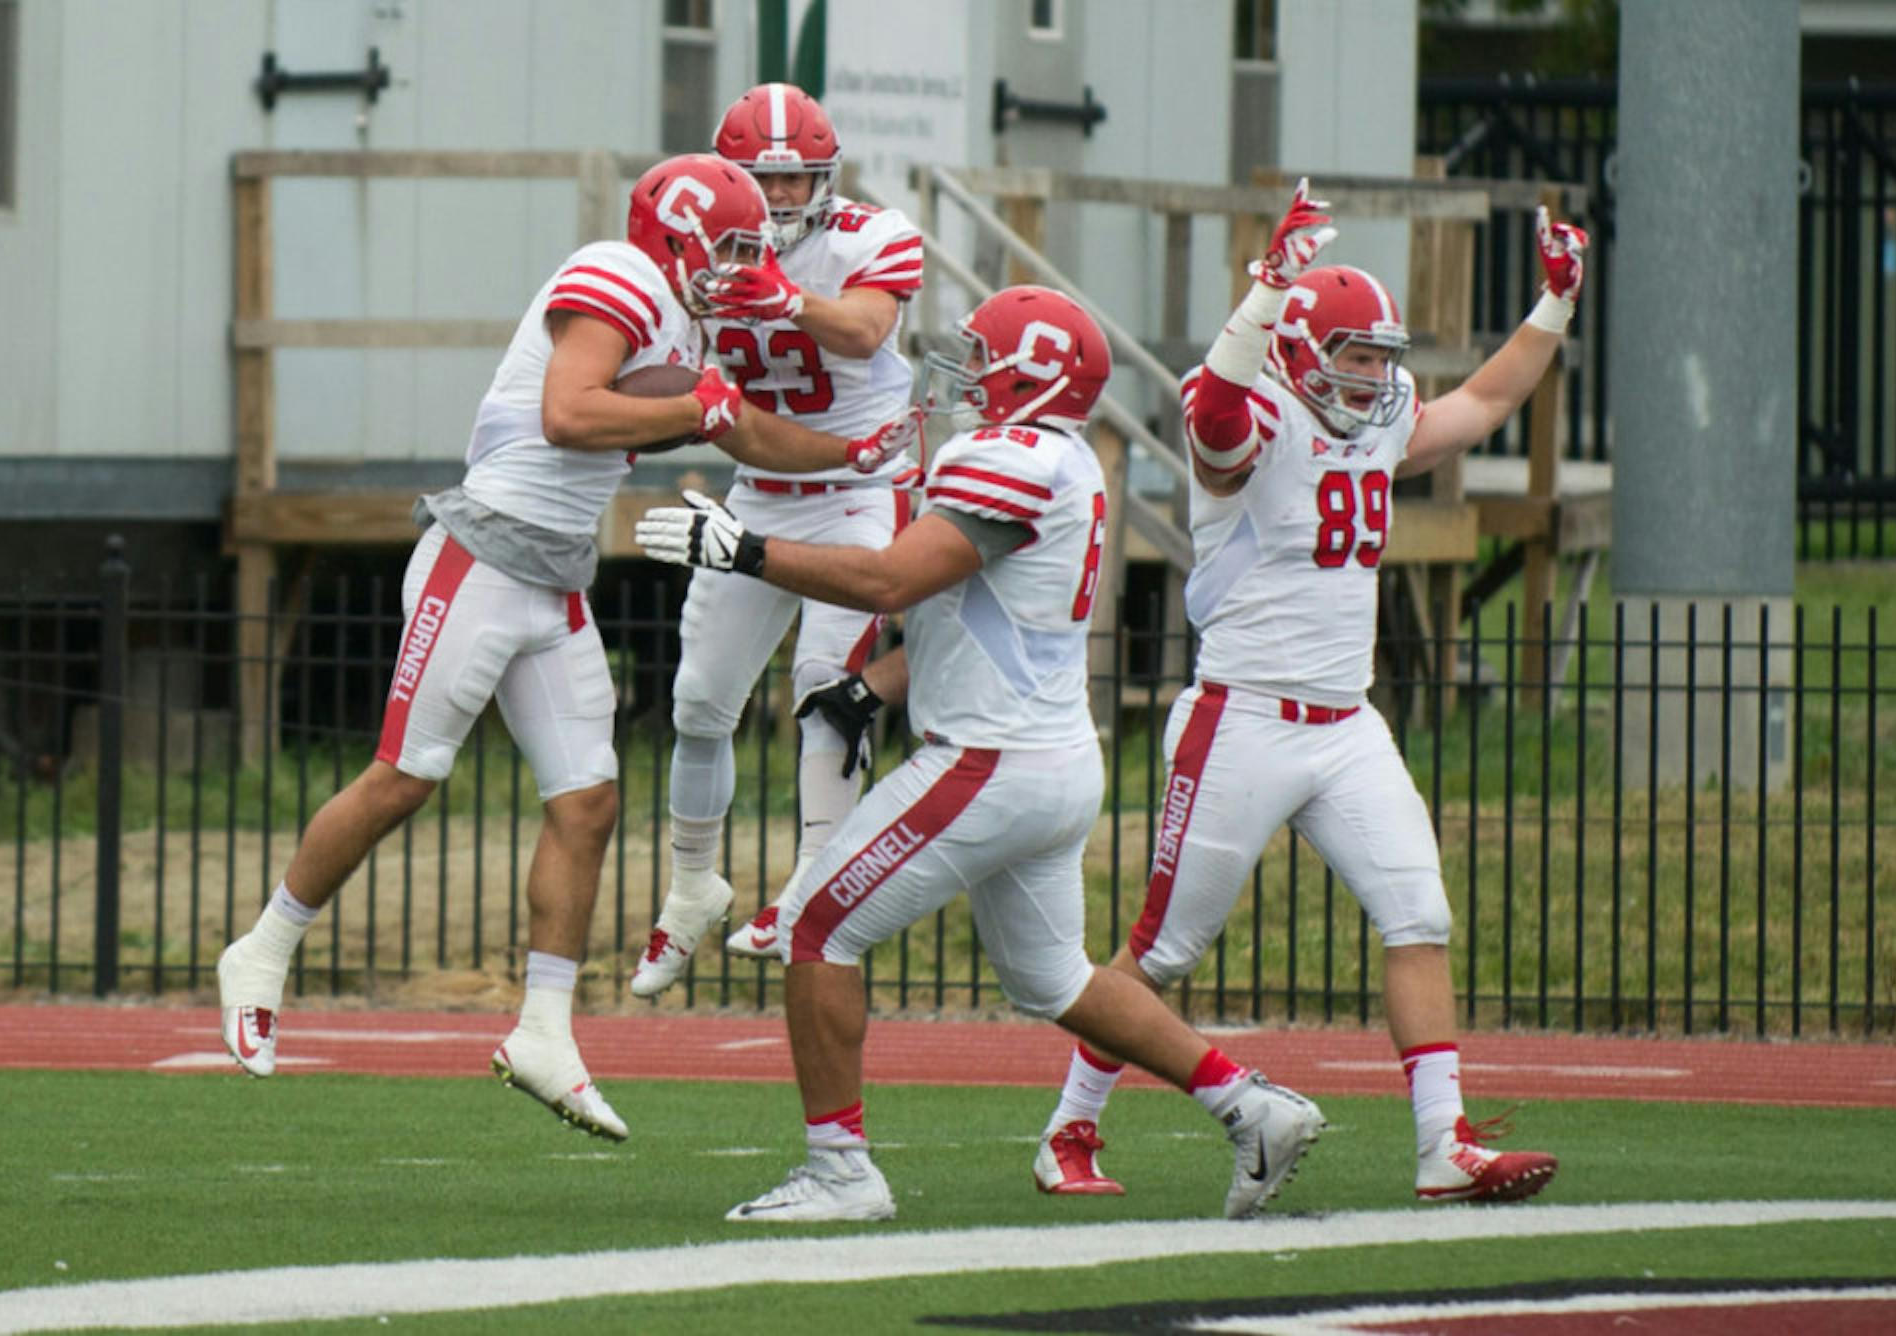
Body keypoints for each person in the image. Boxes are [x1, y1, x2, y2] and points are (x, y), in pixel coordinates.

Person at [215, 153, 906, 1140]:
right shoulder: (618, 273)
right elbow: (568, 411)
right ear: (677, 233)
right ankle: (265, 945)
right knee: (405, 775)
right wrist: (689, 409)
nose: (743, 264)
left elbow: (745, 431)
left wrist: (855, 452)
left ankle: (542, 1028)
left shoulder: (680, 314)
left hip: (552, 572)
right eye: (732, 244)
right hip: (482, 553)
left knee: (586, 803)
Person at [636, 286, 1327, 1223]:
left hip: (989, 762)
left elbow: (890, 576)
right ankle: (1250, 1105)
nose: (964, 376)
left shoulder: (1008, 457)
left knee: (816, 931)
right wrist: (871, 684)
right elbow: (964, 614)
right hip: (1046, 757)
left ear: (1031, 377)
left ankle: (841, 1171)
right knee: (1056, 980)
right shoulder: (1064, 460)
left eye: (982, 359)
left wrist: (745, 550)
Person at [1029, 181, 1587, 1203]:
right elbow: (1209, 415)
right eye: (1355, 355)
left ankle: (1440, 1143)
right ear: (1293, 349)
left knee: (1417, 911)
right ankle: (1067, 1128)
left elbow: (1485, 401)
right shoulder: (1252, 415)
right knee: (1160, 947)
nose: (1374, 376)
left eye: (1382, 356)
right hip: (1239, 718)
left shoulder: (1372, 424)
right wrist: (1264, 291)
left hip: (1344, 721)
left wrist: (1551, 306)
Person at [631, 82, 928, 997]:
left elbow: (867, 327)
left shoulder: (874, 237)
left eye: (799, 178)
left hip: (858, 491)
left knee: (827, 695)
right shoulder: (699, 256)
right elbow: (658, 373)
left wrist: (784, 297)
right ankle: (691, 887)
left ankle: (813, 888)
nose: (786, 196)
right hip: (761, 487)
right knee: (698, 703)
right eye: (766, 180)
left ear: (826, 176)